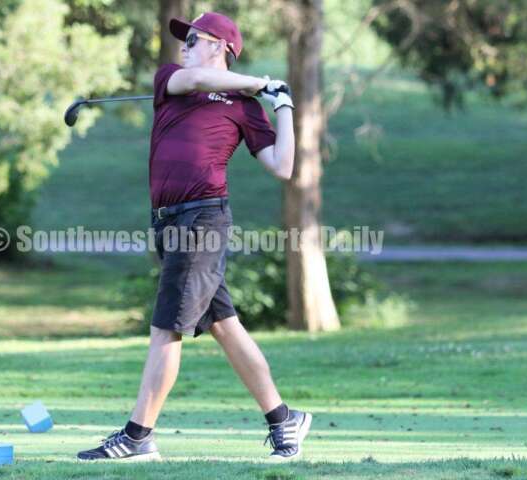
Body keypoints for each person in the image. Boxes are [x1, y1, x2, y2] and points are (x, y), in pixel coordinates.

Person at [77, 11, 311, 462]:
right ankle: (285, 420)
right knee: (225, 326)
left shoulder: (245, 108)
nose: (184, 44)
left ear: (222, 45)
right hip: (167, 223)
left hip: (202, 221)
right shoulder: (173, 79)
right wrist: (261, 83)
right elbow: (198, 77)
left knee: (167, 328)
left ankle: (138, 435)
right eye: (185, 39)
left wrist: (283, 108)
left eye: (195, 38)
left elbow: (283, 166)